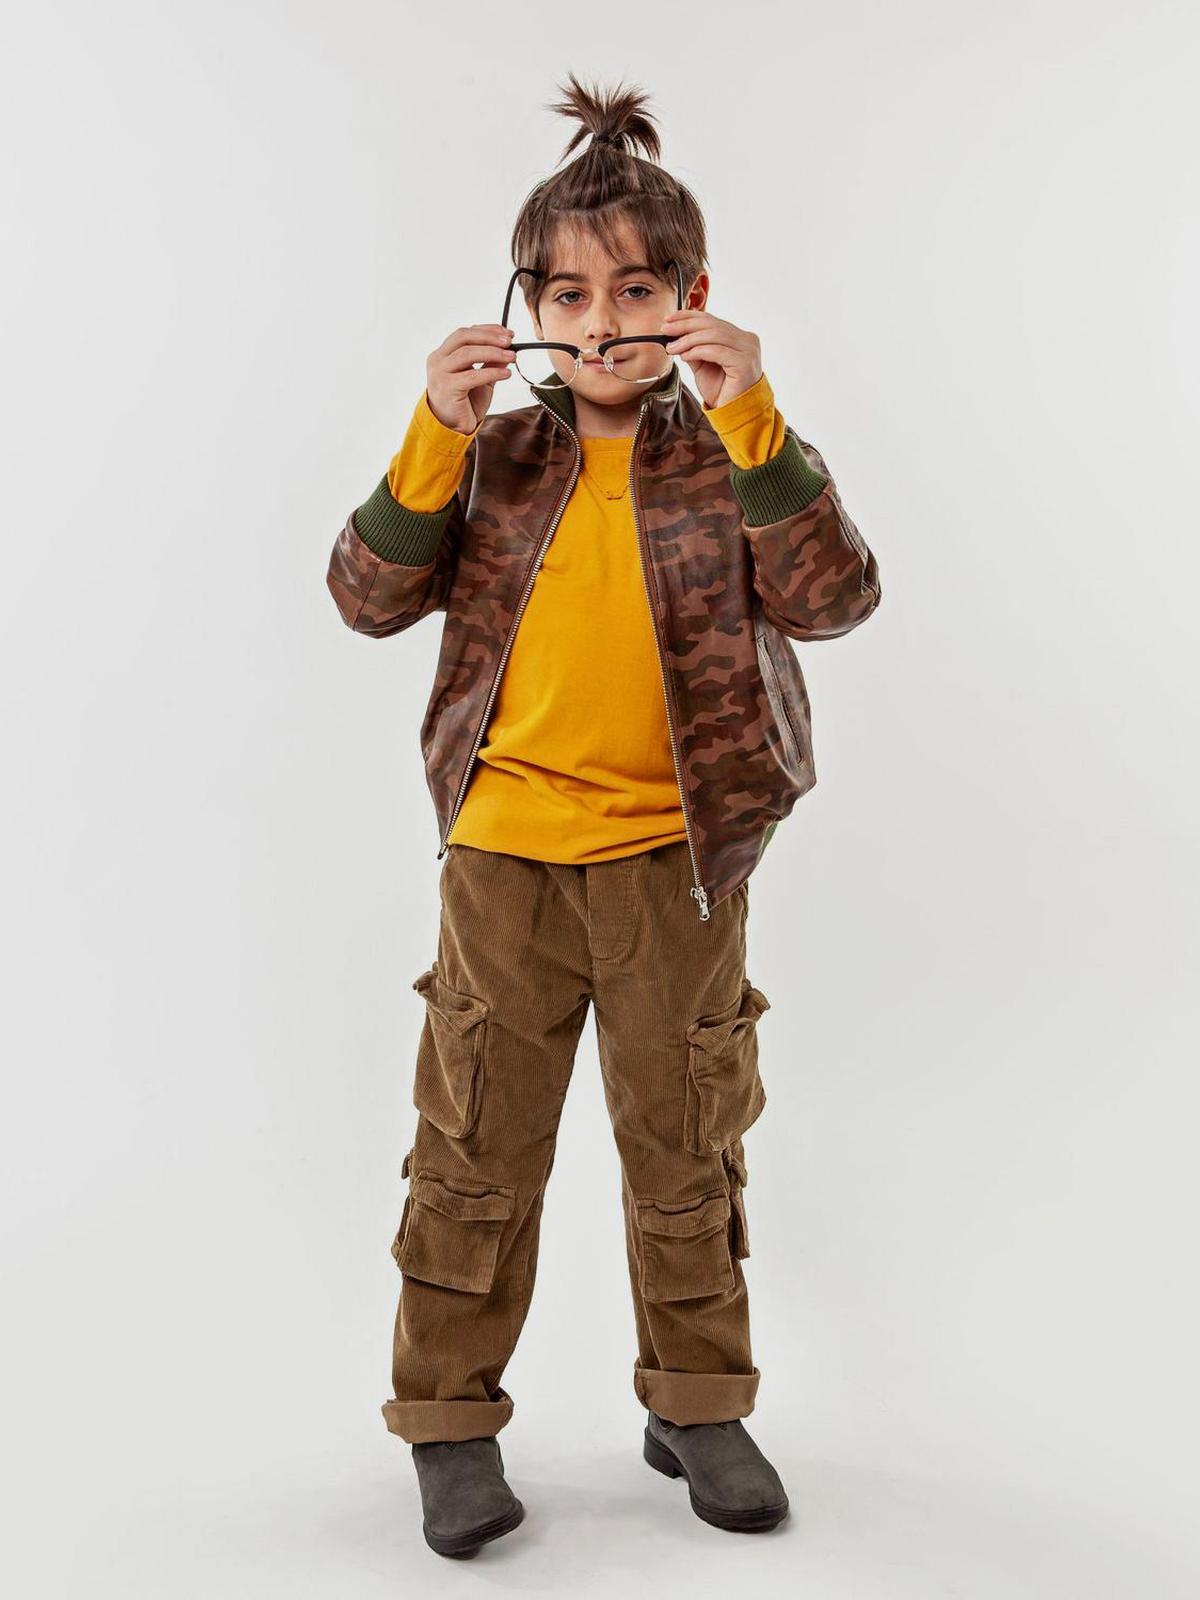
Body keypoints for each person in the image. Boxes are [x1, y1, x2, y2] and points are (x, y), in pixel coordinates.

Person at [325, 72, 881, 1559]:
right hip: (503, 863)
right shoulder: (495, 455)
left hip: (679, 869)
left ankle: (696, 1402)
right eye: (567, 295)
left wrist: (755, 418)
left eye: (636, 290)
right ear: (529, 311)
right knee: (473, 1149)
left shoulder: (735, 453)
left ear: (691, 300)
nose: (601, 322)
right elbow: (365, 597)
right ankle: (447, 1418)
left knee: (687, 1143)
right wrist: (433, 431)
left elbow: (835, 599)